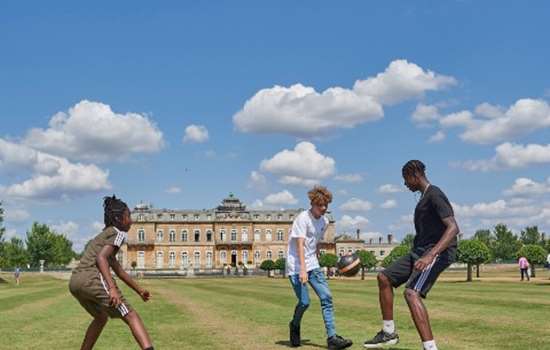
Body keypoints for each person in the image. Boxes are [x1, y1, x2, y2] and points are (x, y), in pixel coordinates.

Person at [364, 160, 459, 350]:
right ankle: (388, 333)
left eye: (406, 179)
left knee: (411, 292)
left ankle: (430, 348)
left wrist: (430, 255)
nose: (405, 184)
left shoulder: (435, 194)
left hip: (438, 252)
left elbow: (453, 228)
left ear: (415, 176)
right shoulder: (424, 197)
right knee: (384, 277)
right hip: (419, 251)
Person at [69, 195, 154, 350]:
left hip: (75, 282)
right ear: (118, 219)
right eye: (128, 216)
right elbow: (101, 258)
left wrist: (140, 290)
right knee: (131, 315)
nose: (131, 220)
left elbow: (119, 271)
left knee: (101, 317)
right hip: (91, 278)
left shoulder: (103, 236)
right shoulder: (118, 233)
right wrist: (112, 288)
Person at [287, 186, 353, 349]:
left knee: (326, 297)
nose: (323, 209)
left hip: (312, 264)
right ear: (313, 203)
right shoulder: (302, 219)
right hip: (296, 265)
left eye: (326, 206)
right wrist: (303, 269)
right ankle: (294, 325)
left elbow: (314, 241)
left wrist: (316, 258)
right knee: (304, 302)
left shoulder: (324, 221)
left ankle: (332, 339)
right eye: (320, 205)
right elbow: (301, 245)